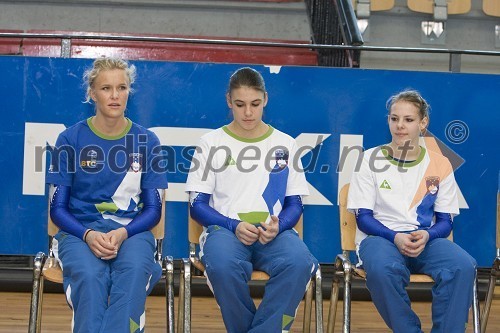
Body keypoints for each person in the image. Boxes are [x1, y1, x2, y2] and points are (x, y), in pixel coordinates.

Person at [185, 67, 318, 333]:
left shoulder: (285, 144)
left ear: (265, 99)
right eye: (240, 104)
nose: (248, 112)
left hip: (274, 234)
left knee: (301, 262)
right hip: (224, 231)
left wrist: (278, 226)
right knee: (222, 266)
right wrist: (233, 225)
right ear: (228, 101)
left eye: (255, 104)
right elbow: (197, 205)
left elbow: (295, 204)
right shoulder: (211, 143)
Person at [46, 57, 168, 333]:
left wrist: (123, 233)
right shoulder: (69, 139)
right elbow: (57, 208)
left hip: (131, 233)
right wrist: (88, 235)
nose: (115, 96)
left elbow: (153, 209)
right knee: (90, 278)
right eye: (106, 88)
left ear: (129, 92)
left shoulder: (147, 141)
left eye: (122, 88)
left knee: (135, 273)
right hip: (79, 233)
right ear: (92, 93)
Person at [347, 89, 477, 333]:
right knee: (383, 269)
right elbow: (363, 218)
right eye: (394, 119)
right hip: (380, 239)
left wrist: (427, 235)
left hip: (424, 239)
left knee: (463, 265)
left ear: (423, 123)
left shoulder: (440, 163)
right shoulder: (369, 159)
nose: (400, 126)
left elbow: (446, 221)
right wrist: (395, 237)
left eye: (408, 120)